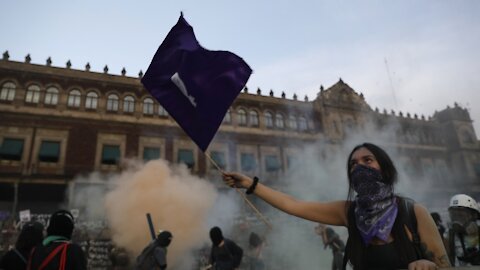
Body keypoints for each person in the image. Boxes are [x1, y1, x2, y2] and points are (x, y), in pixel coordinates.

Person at [223, 142, 450, 270]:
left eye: (367, 160)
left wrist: (429, 265)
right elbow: (294, 204)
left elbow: (445, 266)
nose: (359, 167)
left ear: (385, 168)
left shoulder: (413, 212)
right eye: (353, 164)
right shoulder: (349, 212)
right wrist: (250, 184)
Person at [447, 193, 480, 266]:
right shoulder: (449, 235)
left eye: (461, 215)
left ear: (474, 215)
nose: (457, 220)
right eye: (454, 215)